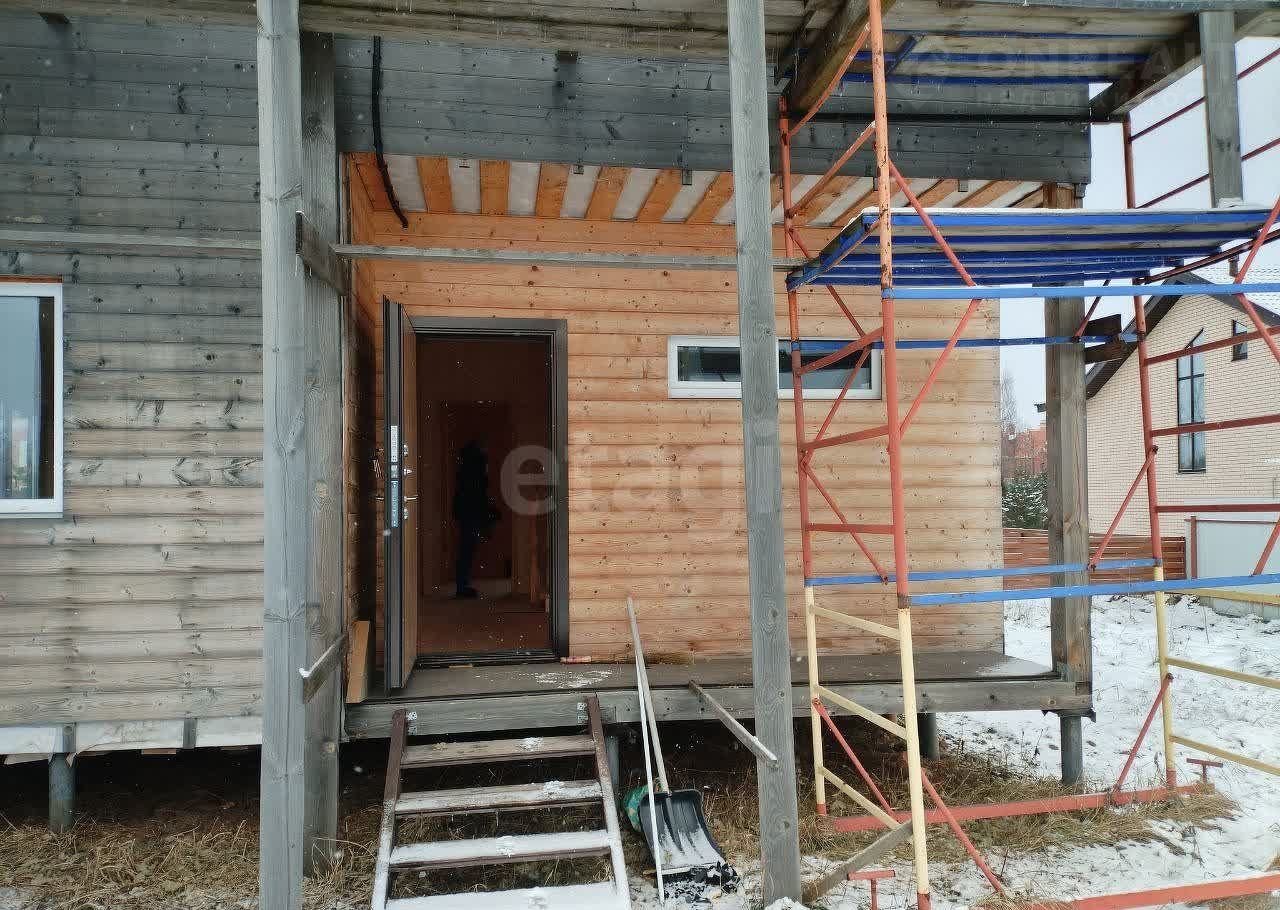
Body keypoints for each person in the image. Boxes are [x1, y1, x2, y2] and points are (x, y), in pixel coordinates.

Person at [453, 440, 498, 598]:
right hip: (471, 513)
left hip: (466, 513)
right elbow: (479, 495)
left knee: (466, 549)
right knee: (467, 549)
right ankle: (462, 586)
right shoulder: (476, 474)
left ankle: (462, 585)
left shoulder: (465, 472)